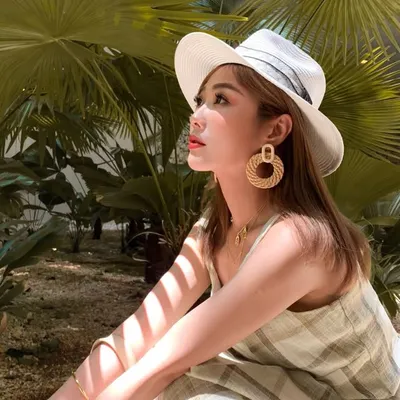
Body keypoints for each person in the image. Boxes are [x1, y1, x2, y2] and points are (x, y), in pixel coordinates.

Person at [49, 29, 400, 400]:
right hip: (275, 382)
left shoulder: (299, 241)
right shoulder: (214, 230)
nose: (196, 117)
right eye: (200, 100)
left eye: (221, 99)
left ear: (275, 129)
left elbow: (167, 361)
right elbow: (139, 334)